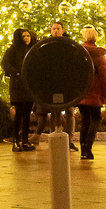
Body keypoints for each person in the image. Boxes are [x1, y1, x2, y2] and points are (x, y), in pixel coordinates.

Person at [30, 20, 78, 150]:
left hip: (67, 83)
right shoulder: (46, 44)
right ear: (50, 31)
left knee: (69, 112)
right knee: (53, 111)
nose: (56, 31)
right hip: (52, 83)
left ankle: (69, 139)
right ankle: (54, 138)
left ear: (62, 30)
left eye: (58, 29)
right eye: (53, 29)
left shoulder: (69, 45)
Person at [1, 27, 38, 152]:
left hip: (28, 86)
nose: (27, 38)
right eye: (24, 36)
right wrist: (16, 73)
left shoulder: (32, 50)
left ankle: (25, 140)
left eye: (28, 36)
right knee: (19, 113)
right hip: (18, 86)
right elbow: (5, 64)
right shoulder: (13, 50)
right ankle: (16, 141)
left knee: (27, 114)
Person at [77, 26, 106, 160]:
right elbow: (104, 74)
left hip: (81, 91)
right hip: (95, 91)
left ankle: (83, 149)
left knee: (85, 120)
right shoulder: (98, 54)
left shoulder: (78, 52)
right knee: (95, 119)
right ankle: (88, 148)